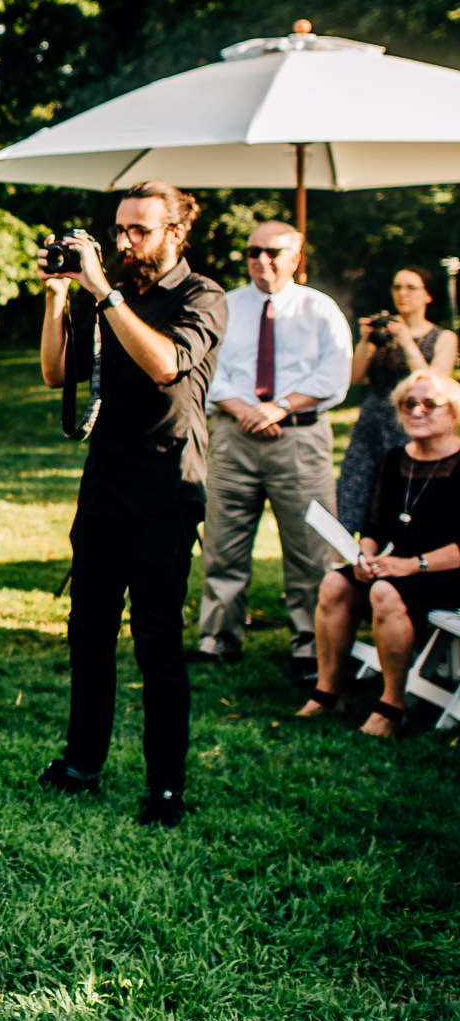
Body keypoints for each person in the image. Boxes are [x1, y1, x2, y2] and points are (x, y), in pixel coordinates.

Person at [34, 181, 227, 827]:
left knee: (156, 639)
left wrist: (105, 293)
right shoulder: (110, 294)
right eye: (119, 229)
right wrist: (60, 295)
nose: (123, 242)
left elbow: (167, 365)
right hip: (105, 481)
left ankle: (165, 787)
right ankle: (82, 763)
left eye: (139, 231)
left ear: (176, 233)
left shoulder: (202, 296)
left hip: (167, 485)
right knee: (88, 631)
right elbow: (58, 374)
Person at [195, 221, 352, 680]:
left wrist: (279, 408)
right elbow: (208, 367)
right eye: (253, 252)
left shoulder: (320, 310)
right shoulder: (224, 305)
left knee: (310, 547)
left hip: (298, 440)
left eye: (273, 252)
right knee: (223, 543)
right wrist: (243, 409)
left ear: (296, 256)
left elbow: (333, 376)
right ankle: (217, 639)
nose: (262, 260)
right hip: (233, 436)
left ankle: (310, 643)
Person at [302, 369, 460, 737]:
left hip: (445, 574)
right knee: (334, 584)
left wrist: (411, 566)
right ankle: (327, 693)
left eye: (429, 404)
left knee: (384, 592)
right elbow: (375, 526)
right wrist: (363, 556)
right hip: (396, 568)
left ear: (453, 413)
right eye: (408, 404)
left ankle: (392, 707)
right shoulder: (393, 460)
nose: (417, 411)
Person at [336, 266, 459, 535]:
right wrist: (366, 343)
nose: (403, 294)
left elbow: (434, 383)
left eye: (411, 287)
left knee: (398, 497)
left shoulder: (443, 337)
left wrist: (406, 341)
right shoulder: (382, 335)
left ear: (428, 295)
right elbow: (354, 378)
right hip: (372, 425)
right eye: (397, 287)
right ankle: (344, 562)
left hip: (413, 424)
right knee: (353, 493)